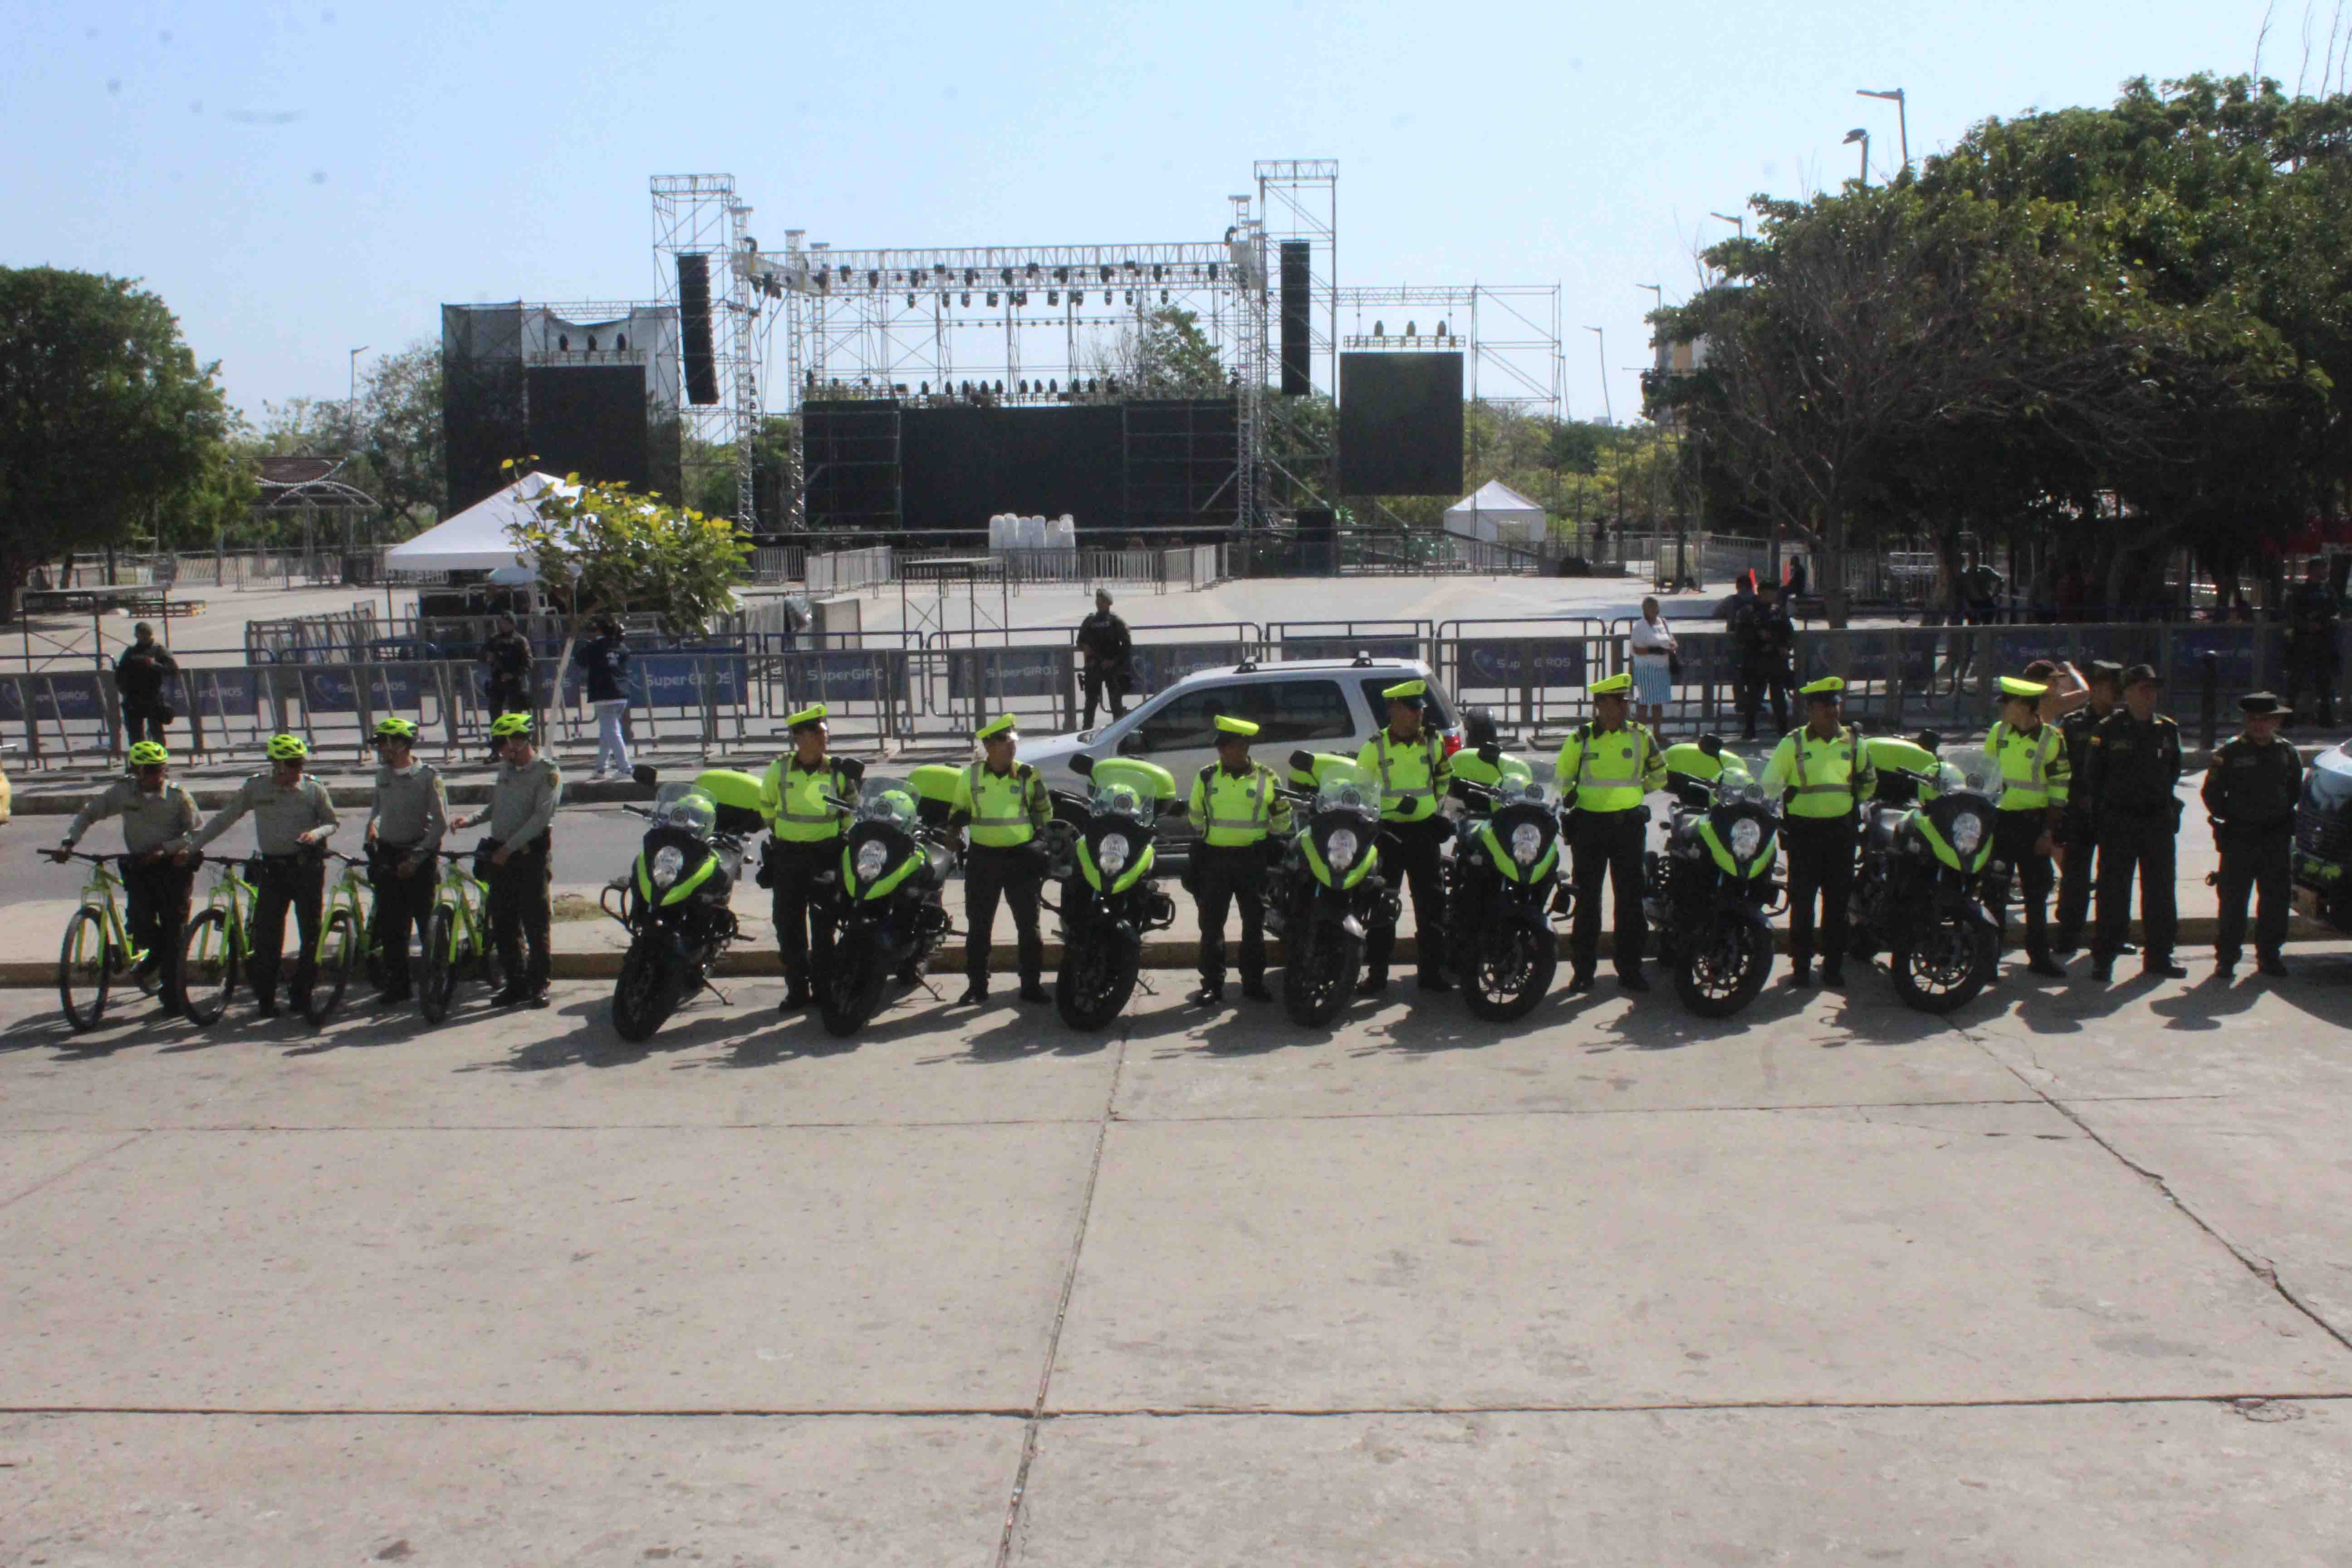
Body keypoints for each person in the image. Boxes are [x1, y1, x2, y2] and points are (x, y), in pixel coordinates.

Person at [187, 733, 339, 1017]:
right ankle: (266, 1000)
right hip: (273, 870)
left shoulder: (313, 788)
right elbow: (225, 818)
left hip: (307, 868)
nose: (298, 770)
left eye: (301, 763)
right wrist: (193, 847)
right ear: (278, 765)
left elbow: (332, 822)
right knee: (267, 937)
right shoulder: (257, 787)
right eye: (293, 764)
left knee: (311, 934)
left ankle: (302, 995)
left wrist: (316, 834)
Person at [49, 740, 201, 1016]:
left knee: (174, 930)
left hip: (173, 870)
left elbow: (197, 834)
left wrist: (166, 849)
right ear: (136, 771)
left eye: (160, 769)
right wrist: (68, 843)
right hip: (140, 868)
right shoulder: (123, 792)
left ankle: (172, 995)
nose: (157, 775)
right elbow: (89, 813)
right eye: (150, 770)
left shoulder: (179, 796)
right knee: (139, 925)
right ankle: (156, 955)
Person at [1554, 671, 1668, 993]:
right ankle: (1583, 972)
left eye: (1624, 701)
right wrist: (1571, 797)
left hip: (1628, 827)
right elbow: (1563, 779)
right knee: (1587, 902)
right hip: (1589, 828)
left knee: (1630, 902)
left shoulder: (1641, 736)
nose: (1623, 707)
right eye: (1617, 701)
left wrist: (1637, 795)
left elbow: (1660, 774)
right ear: (1600, 705)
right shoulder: (1580, 738)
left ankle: (1630, 971)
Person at [1759, 676, 1874, 987]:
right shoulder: (1793, 743)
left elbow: (1867, 782)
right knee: (1802, 903)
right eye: (1824, 706)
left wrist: (1849, 805)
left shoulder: (1854, 742)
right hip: (1803, 834)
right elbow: (1770, 785)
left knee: (1837, 904)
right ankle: (1801, 967)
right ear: (1810, 710)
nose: (1832, 712)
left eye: (1835, 705)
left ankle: (1833, 968)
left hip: (1841, 832)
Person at [2074, 664, 2185, 982]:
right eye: (2142, 689)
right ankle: (2104, 958)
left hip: (2157, 821)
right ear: (2127, 693)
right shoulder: (2108, 729)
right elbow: (2093, 776)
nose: (2149, 695)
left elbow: (2174, 771)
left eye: (2153, 689)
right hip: (2119, 821)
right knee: (2113, 893)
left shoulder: (2167, 729)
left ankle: (2159, 956)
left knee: (2161, 892)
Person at [449, 712, 562, 1007]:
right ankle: (516, 983)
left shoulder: (547, 772)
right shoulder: (507, 769)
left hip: (528, 856)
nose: (499, 750)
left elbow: (540, 818)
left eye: (502, 744)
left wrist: (509, 848)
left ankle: (539, 985)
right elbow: (496, 806)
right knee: (504, 924)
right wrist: (470, 819)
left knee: (535, 923)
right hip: (501, 856)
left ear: (518, 742)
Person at [1355, 679, 1454, 995]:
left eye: (1420, 709)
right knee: (1382, 906)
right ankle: (1377, 976)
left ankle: (1431, 974)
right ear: (1394, 710)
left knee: (1432, 905)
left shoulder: (1432, 742)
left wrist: (1436, 807)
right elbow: (1362, 793)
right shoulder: (1375, 748)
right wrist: (1379, 820)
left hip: (1424, 832)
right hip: (1388, 835)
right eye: (1411, 709)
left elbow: (1444, 775)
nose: (1418, 715)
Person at [1186, 715, 1293, 1006]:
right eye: (1222, 747)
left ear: (1245, 747)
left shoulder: (1267, 778)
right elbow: (1195, 814)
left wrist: (1268, 836)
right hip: (1214, 859)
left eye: (1232, 746)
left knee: (1254, 924)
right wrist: (1209, 836)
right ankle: (1212, 985)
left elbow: (1283, 817)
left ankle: (1254, 984)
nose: (1225, 752)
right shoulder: (1206, 776)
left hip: (1252, 860)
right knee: (1211, 926)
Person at [759, 703, 858, 1011]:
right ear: (799, 738)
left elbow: (851, 810)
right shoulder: (779, 769)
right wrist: (784, 834)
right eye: (816, 733)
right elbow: (767, 806)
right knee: (788, 926)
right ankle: (797, 991)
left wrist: (835, 837)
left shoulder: (838, 772)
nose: (823, 737)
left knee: (824, 926)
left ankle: (824, 989)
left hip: (825, 857)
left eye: (824, 732)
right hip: (788, 857)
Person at [950, 715, 1052, 1005]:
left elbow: (1045, 813)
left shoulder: (1029, 775)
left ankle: (1031, 985)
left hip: (1021, 859)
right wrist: (953, 830)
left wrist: (1041, 842)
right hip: (983, 859)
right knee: (979, 926)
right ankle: (977, 986)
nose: (1012, 748)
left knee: (1029, 926)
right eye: (1006, 743)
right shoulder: (970, 777)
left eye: (1013, 742)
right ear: (989, 746)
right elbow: (957, 810)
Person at [2202, 691, 2303, 980]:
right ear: (2246, 722)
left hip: (2275, 838)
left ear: (2276, 722)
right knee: (2233, 903)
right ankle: (2227, 959)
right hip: (2240, 838)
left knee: (2275, 901)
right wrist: (2236, 816)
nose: (2260, 726)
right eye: (2254, 720)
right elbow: (2211, 794)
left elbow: (2295, 790)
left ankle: (2269, 956)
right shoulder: (2229, 753)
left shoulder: (2287, 752)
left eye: (2266, 720)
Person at [1985, 675, 2071, 978]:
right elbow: (1985, 774)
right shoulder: (1998, 732)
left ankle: (2039, 957)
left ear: (2023, 706)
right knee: (1994, 894)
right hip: (2001, 823)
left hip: (2035, 825)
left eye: (2008, 703)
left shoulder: (2051, 739)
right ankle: (1989, 960)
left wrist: (2049, 833)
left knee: (2036, 895)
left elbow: (2060, 789)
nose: (2003, 708)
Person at [363, 716, 447, 1004]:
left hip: (419, 855)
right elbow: (378, 809)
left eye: (384, 743)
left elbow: (440, 824)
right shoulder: (383, 775)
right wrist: (373, 826)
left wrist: (418, 857)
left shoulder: (428, 776)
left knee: (426, 925)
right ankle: (398, 986)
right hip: (389, 854)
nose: (381, 749)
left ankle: (436, 984)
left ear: (400, 744)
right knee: (392, 927)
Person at [2053, 660, 2126, 956]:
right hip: (2080, 810)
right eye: (2110, 687)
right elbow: (2061, 768)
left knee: (2114, 879)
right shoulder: (2073, 724)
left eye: (2118, 688)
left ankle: (2112, 937)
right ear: (2094, 689)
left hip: (2114, 811)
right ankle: (2068, 935)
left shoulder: (2126, 724)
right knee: (2075, 877)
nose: (2115, 693)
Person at [573, 618, 633, 781]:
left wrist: (591, 643)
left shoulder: (594, 646)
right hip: (621, 694)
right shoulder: (621, 647)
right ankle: (601, 768)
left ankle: (625, 768)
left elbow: (579, 660)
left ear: (599, 630)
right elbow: (625, 657)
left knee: (612, 732)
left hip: (603, 694)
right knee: (607, 732)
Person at [2282, 559, 2340, 727]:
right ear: (2313, 570)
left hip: (2324, 641)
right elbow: (2290, 613)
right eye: (2322, 569)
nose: (2325, 572)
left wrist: (2331, 621)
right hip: (2303, 641)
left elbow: (2336, 611)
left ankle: (2326, 717)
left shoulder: (2329, 590)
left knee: (2325, 681)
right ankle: (2288, 717)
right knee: (2296, 681)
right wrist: (2306, 625)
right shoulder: (2299, 590)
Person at [113, 622, 178, 748]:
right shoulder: (130, 652)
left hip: (154, 697)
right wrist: (124, 690)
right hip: (133, 699)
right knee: (136, 736)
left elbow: (173, 669)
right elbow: (120, 674)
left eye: (146, 634)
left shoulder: (159, 650)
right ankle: (139, 758)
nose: (143, 636)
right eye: (140, 634)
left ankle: (158, 758)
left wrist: (155, 665)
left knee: (156, 733)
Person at [1075, 589, 1132, 729]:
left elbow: (1127, 646)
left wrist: (1114, 662)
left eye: (1101, 602)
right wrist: (1087, 651)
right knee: (1091, 704)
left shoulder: (1116, 622)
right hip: (1093, 667)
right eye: (1097, 601)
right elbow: (1080, 642)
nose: (1098, 604)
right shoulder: (1089, 621)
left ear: (1108, 604)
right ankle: (1086, 732)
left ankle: (1118, 732)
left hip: (1112, 668)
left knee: (1116, 704)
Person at [1747, 583, 1796, 740]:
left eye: (1774, 593)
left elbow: (1789, 633)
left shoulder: (1778, 611)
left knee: (1778, 697)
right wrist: (1762, 642)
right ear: (1761, 593)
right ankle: (1749, 729)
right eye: (1769, 593)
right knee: (1754, 697)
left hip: (1777, 660)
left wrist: (1785, 646)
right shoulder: (1750, 611)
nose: (1772, 596)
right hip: (1757, 660)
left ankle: (1783, 729)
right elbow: (1744, 636)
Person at [1629, 597, 1677, 731]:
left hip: (1662, 668)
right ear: (1645, 610)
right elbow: (1636, 650)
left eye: (1656, 607)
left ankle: (1657, 733)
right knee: (1644, 702)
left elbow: (1671, 638)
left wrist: (1673, 645)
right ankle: (1641, 733)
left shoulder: (1662, 622)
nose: (1656, 610)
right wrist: (1656, 650)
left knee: (1658, 702)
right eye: (1652, 607)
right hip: (1646, 669)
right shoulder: (1640, 626)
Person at [480, 614, 535, 722]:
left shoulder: (520, 640)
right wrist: (487, 656)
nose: (504, 626)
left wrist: (513, 675)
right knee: (495, 714)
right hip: (497, 680)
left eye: (508, 623)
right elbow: (481, 656)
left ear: (513, 624)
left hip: (514, 682)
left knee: (515, 714)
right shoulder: (494, 639)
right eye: (503, 623)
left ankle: (515, 733)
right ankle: (498, 733)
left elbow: (528, 663)